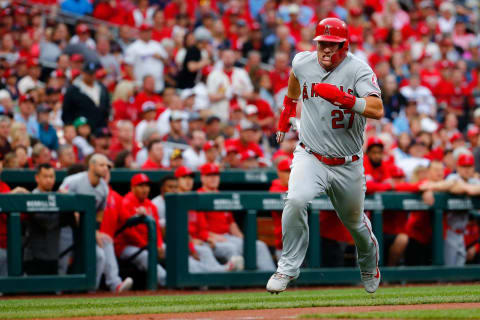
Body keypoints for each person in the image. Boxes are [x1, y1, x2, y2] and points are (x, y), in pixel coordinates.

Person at [267, 18, 384, 294]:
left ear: (344, 46)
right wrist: (287, 111)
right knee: (295, 200)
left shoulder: (358, 69)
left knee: (355, 223)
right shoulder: (302, 62)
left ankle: (369, 265)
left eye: (332, 45)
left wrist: (346, 99)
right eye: (322, 44)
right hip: (311, 155)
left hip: (348, 163)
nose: (326, 50)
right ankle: (287, 267)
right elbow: (295, 79)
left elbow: (377, 109)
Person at [59, 154, 133, 292]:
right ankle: (57, 292)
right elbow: (60, 195)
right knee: (62, 260)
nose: (106, 168)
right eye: (102, 165)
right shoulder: (74, 180)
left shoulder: (104, 188)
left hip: (86, 228)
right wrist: (73, 209)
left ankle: (92, 291)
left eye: (107, 166)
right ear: (92, 166)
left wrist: (96, 230)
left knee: (99, 254)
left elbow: (100, 212)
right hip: (66, 226)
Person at [199, 163, 275, 271]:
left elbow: (231, 223)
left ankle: (270, 278)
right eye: (209, 175)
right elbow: (199, 229)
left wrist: (244, 239)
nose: (213, 178)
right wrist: (213, 236)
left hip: (228, 237)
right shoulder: (198, 196)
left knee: (258, 245)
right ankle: (238, 283)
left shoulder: (222, 195)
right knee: (231, 248)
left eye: (215, 175)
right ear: (202, 178)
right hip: (211, 239)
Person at [115, 173, 167, 286]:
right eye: (141, 186)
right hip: (126, 246)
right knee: (146, 256)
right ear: (132, 187)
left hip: (147, 245)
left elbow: (157, 228)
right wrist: (150, 246)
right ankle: (166, 282)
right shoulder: (125, 203)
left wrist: (158, 244)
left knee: (172, 250)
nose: (145, 189)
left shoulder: (151, 205)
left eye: (147, 186)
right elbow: (128, 233)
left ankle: (185, 279)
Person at [62, 62, 111, 131]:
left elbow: (106, 107)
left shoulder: (101, 87)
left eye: (94, 73)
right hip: (81, 129)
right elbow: (67, 112)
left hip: (99, 129)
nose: (92, 76)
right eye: (89, 74)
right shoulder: (74, 90)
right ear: (83, 73)